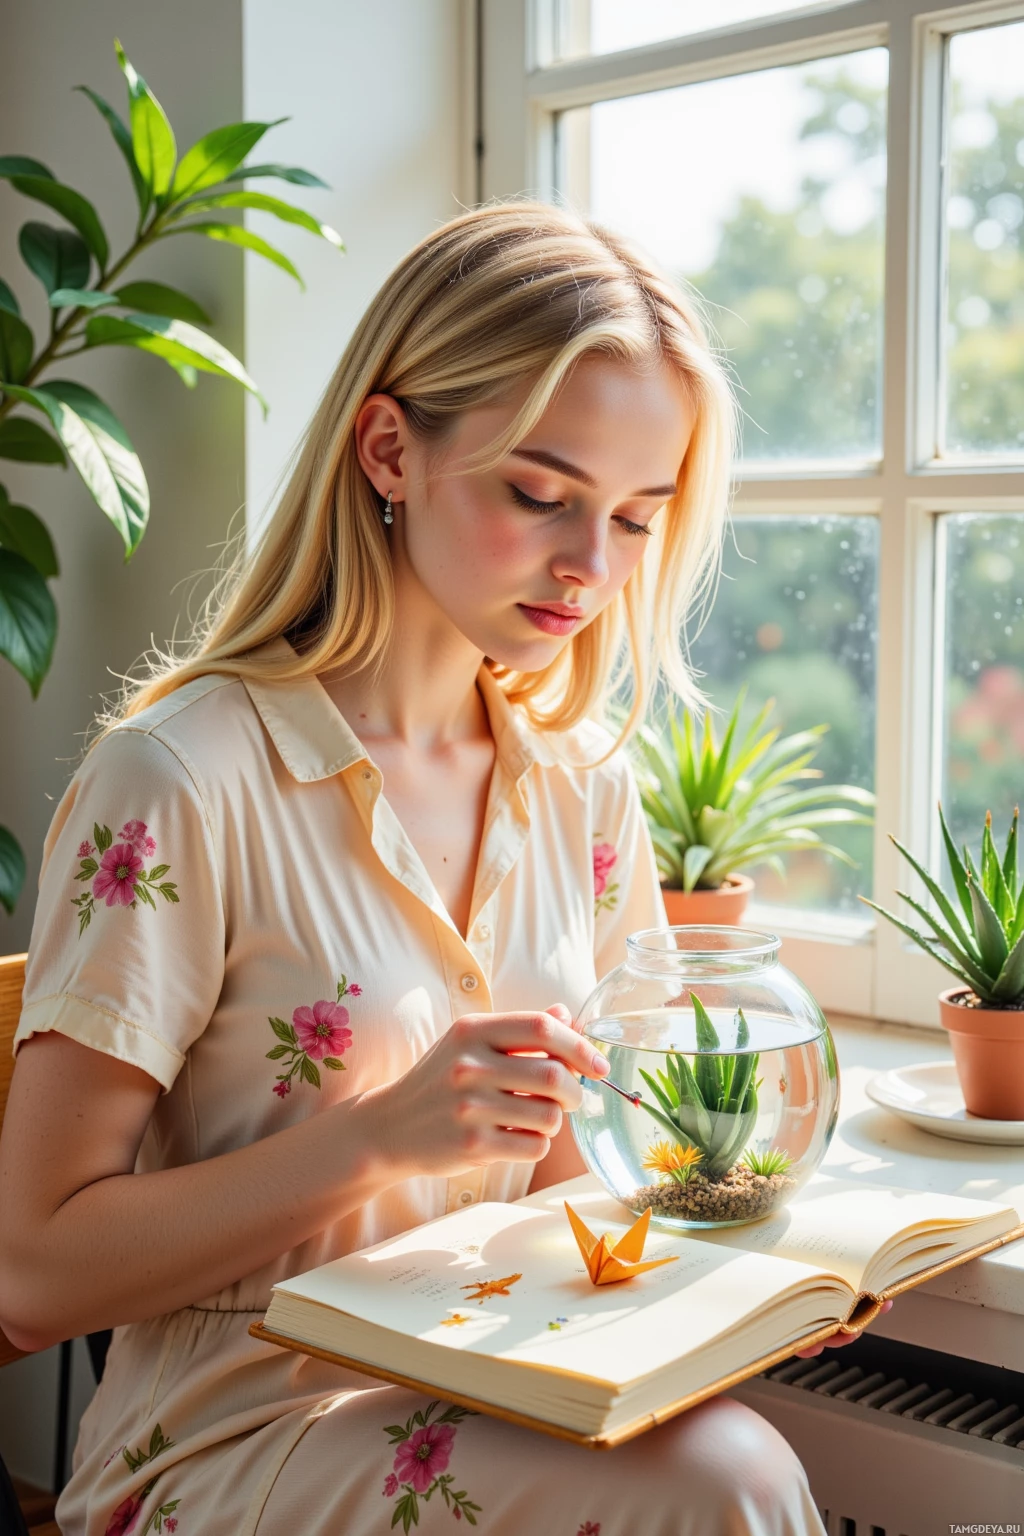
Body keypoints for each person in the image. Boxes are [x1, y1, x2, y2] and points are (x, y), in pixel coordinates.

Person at [0, 203, 849, 1536]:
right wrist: (384, 1136)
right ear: (391, 448)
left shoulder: (585, 788)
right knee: (726, 1492)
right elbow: (34, 1272)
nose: (593, 565)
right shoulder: (181, 778)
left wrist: (748, 1267)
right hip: (229, 1437)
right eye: (539, 493)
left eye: (638, 518)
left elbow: (585, 1177)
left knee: (733, 1464)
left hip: (504, 1390)